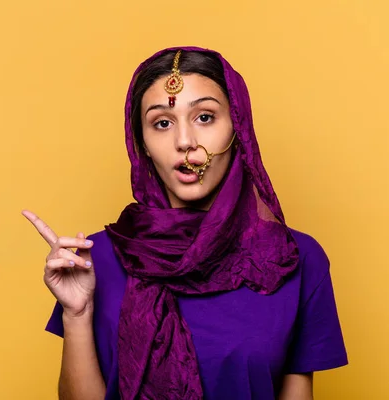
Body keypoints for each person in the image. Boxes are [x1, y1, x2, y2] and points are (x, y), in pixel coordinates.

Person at [22, 46, 348, 400]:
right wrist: (77, 314)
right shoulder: (94, 260)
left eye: (204, 117)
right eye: (162, 123)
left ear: (237, 128)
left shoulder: (293, 259)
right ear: (142, 143)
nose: (184, 142)